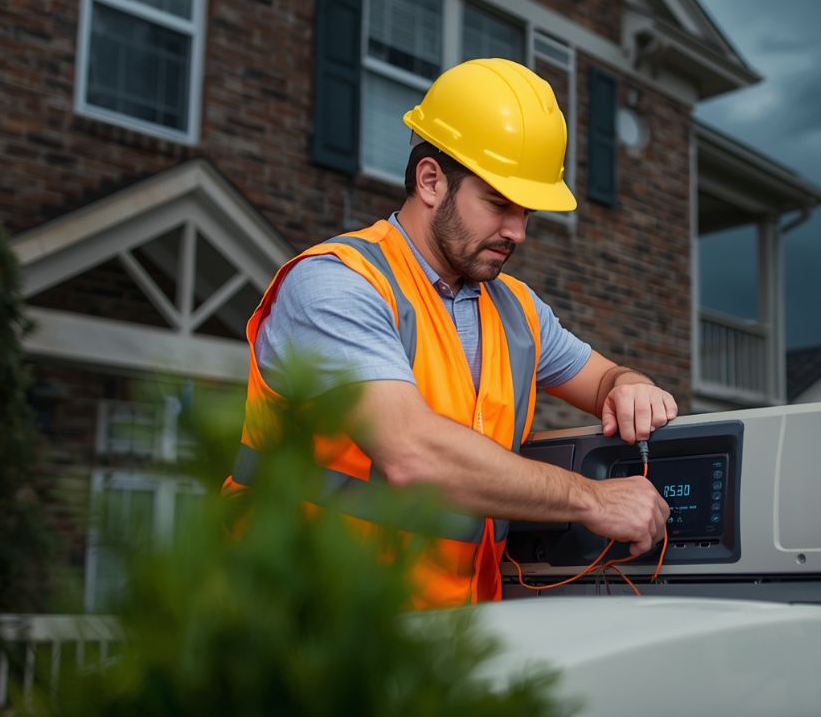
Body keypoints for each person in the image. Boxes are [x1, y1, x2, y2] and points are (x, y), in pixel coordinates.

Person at [223, 58, 675, 608]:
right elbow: (411, 453)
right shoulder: (337, 285)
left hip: (445, 651)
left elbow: (605, 378)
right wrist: (592, 499)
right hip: (305, 642)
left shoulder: (517, 312)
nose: (518, 232)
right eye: (499, 205)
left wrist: (630, 384)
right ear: (431, 181)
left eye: (527, 212)